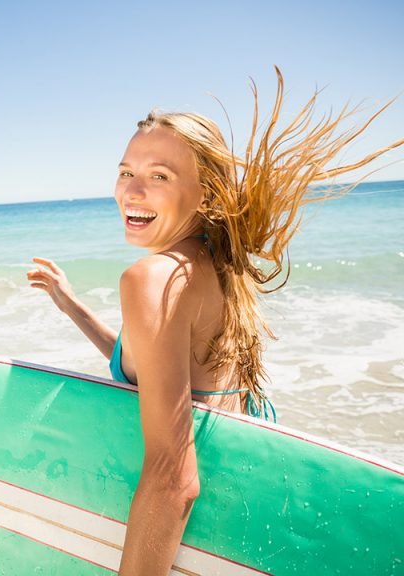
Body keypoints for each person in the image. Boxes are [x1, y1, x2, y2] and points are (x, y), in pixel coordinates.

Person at [26, 68, 403, 575]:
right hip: (252, 500)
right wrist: (72, 306)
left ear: (204, 194)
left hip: (196, 529)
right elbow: (159, 365)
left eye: (159, 176)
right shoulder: (218, 263)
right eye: (125, 171)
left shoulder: (152, 278)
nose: (131, 191)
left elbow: (173, 477)